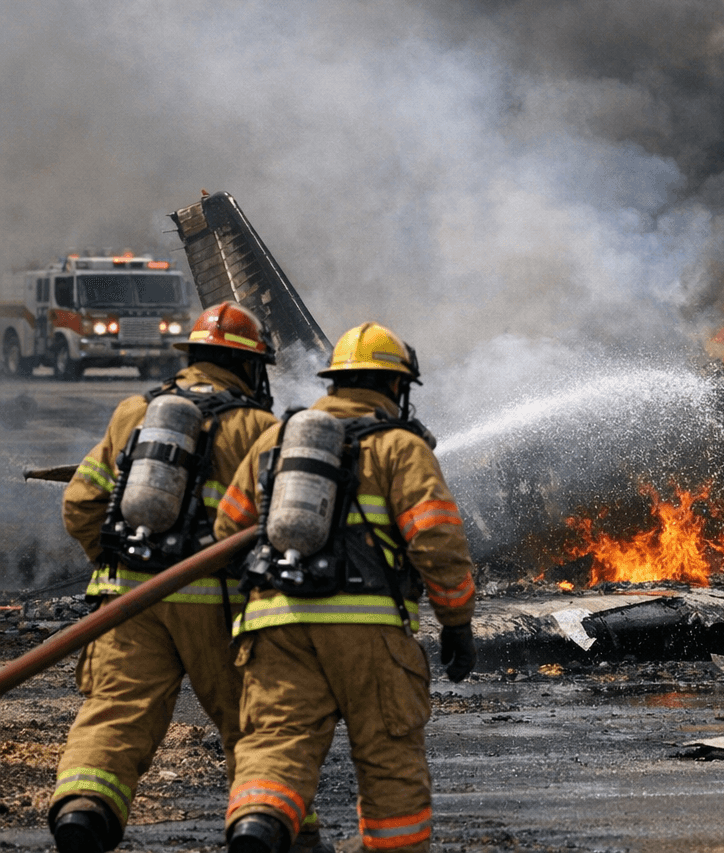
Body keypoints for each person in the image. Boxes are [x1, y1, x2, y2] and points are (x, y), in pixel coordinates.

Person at [214, 321, 477, 853]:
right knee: (388, 758)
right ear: (395, 388)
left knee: (276, 744)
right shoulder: (401, 448)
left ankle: (258, 827)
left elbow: (227, 532)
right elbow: (437, 543)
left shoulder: (276, 438)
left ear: (334, 383)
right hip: (370, 633)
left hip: (278, 626)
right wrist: (457, 622)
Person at [49, 303, 286, 853]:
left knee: (115, 712)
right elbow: (276, 526)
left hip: (128, 600)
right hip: (219, 606)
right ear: (247, 366)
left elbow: (81, 501)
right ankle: (268, 827)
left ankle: (84, 812)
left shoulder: (133, 411)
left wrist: (112, 565)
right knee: (254, 722)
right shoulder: (258, 428)